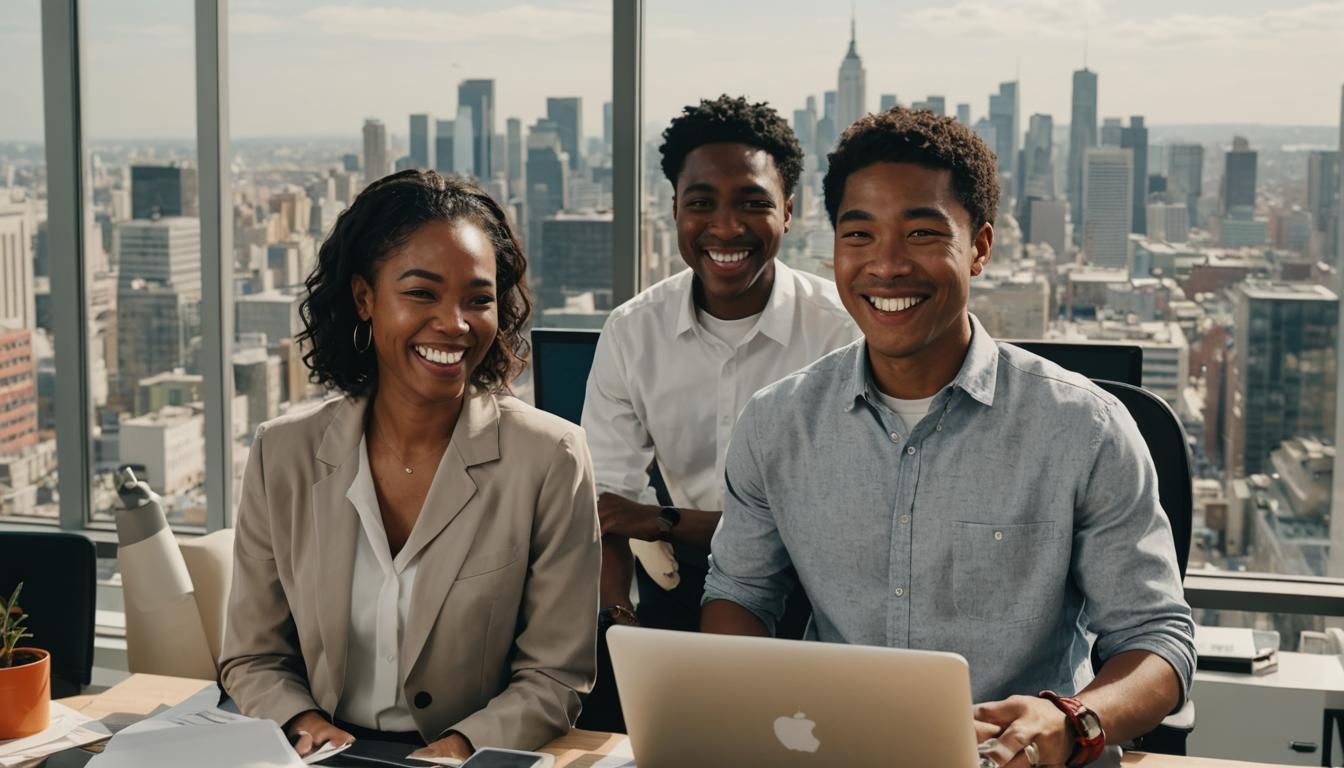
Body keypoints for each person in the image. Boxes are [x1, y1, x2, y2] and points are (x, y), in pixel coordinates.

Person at [701, 108, 1196, 768]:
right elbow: (739, 595)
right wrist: (749, 712)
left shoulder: (1085, 429)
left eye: (922, 234)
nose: (886, 265)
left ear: (981, 248)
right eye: (859, 234)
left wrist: (1074, 719)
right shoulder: (776, 424)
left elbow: (1157, 638)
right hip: (836, 753)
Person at [220, 170, 600, 762]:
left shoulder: (552, 458)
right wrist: (303, 723)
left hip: (468, 760)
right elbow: (252, 655)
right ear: (365, 298)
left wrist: (459, 749)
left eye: (478, 300)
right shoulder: (283, 453)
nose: (455, 323)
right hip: (317, 755)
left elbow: (556, 674)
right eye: (422, 294)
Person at [580, 95, 856, 728]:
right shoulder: (633, 331)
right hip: (676, 582)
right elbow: (607, 509)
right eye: (701, 203)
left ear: (789, 211)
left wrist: (661, 519)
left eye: (752, 203)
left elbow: (834, 524)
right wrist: (617, 625)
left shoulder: (842, 333)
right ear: (675, 210)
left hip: (817, 592)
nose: (726, 228)